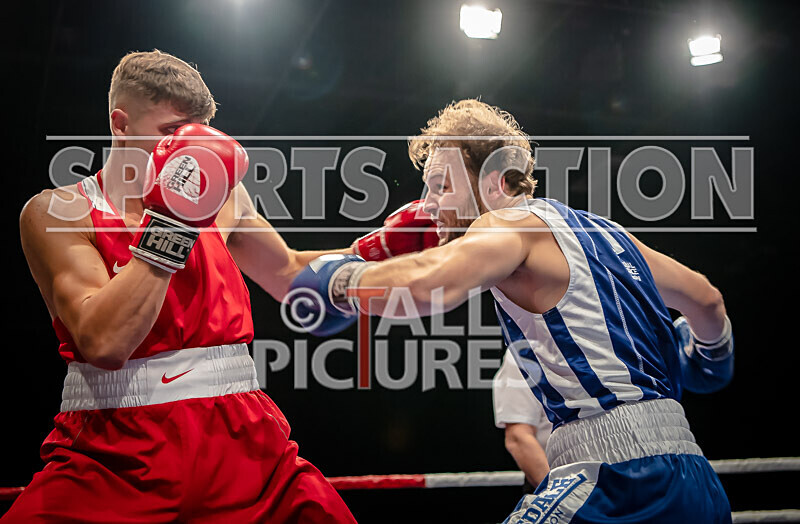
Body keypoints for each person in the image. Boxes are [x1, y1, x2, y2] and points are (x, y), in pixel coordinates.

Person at [10, 49, 434, 523]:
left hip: (242, 440)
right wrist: (172, 222)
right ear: (121, 125)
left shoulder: (226, 195)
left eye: (197, 135)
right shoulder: (58, 213)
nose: (186, 153)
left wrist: (378, 250)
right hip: (113, 451)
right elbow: (104, 341)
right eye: (171, 132)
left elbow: (291, 276)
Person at [288, 99, 735, 523]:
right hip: (694, 475)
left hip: (616, 477)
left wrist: (342, 281)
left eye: (442, 185)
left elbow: (430, 288)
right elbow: (706, 299)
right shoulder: (607, 233)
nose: (427, 205)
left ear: (495, 180)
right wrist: (710, 359)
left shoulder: (504, 224)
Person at [493, 349, 552, 489]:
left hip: (610, 475)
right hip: (557, 482)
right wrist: (557, 496)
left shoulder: (609, 340)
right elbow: (518, 437)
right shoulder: (525, 350)